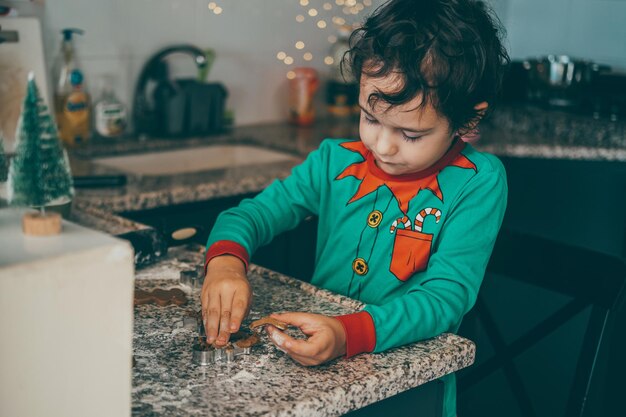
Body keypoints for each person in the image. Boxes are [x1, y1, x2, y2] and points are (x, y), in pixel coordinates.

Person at [201, 0, 509, 415]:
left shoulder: (477, 181)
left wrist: (349, 334)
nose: (382, 146)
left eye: (411, 134)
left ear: (468, 122)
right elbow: (249, 216)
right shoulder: (334, 161)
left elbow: (445, 297)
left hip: (409, 392)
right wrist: (224, 265)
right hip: (317, 383)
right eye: (370, 118)